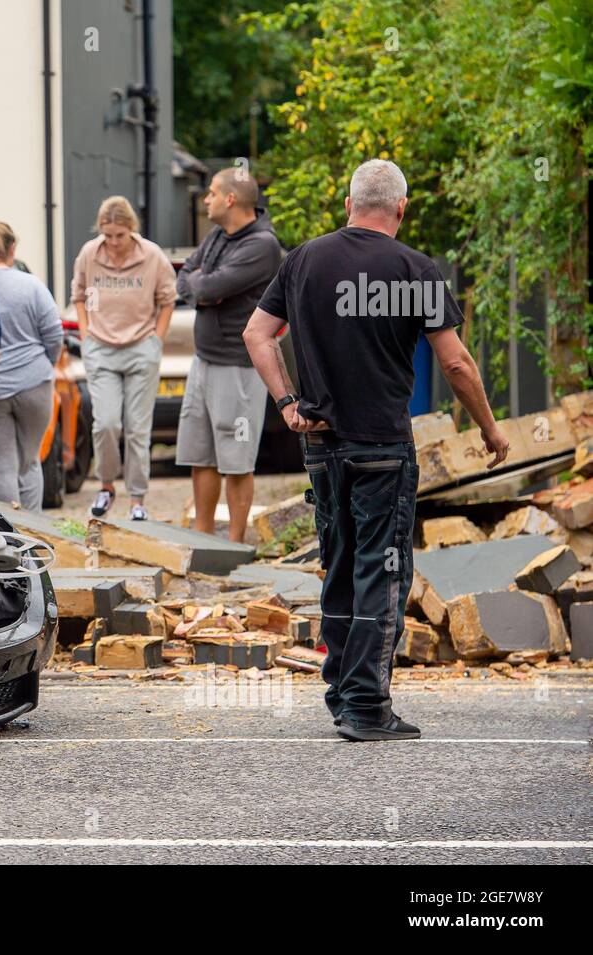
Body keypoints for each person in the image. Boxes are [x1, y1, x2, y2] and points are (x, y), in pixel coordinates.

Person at [243, 159, 509, 742]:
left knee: (339, 563)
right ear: (401, 209)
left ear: (348, 204)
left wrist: (289, 403)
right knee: (383, 569)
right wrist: (489, 429)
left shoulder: (304, 260)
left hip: (321, 444)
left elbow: (256, 335)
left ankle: (341, 689)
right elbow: (456, 362)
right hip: (383, 446)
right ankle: (366, 704)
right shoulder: (416, 269)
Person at [175, 168, 282, 542]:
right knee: (199, 455)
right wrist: (201, 285)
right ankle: (204, 540)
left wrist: (203, 285)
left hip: (237, 367)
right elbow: (188, 277)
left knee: (236, 460)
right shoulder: (219, 235)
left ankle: (235, 546)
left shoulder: (262, 245)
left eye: (211, 193)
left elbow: (208, 286)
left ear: (231, 199)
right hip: (203, 361)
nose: (206, 199)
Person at [70, 196, 177, 520]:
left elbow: (168, 300)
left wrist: (156, 340)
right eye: (108, 235)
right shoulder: (90, 253)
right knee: (105, 424)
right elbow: (77, 295)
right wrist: (86, 336)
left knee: (137, 429)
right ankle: (106, 486)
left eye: (120, 235)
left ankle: (137, 499)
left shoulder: (153, 256)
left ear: (132, 229)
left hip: (141, 347)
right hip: (101, 347)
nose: (114, 242)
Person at [0, 214, 63, 510]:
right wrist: (45, 365)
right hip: (34, 384)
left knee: (0, 466)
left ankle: (8, 543)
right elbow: (54, 335)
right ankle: (35, 539)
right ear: (13, 248)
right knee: (30, 462)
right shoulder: (32, 285)